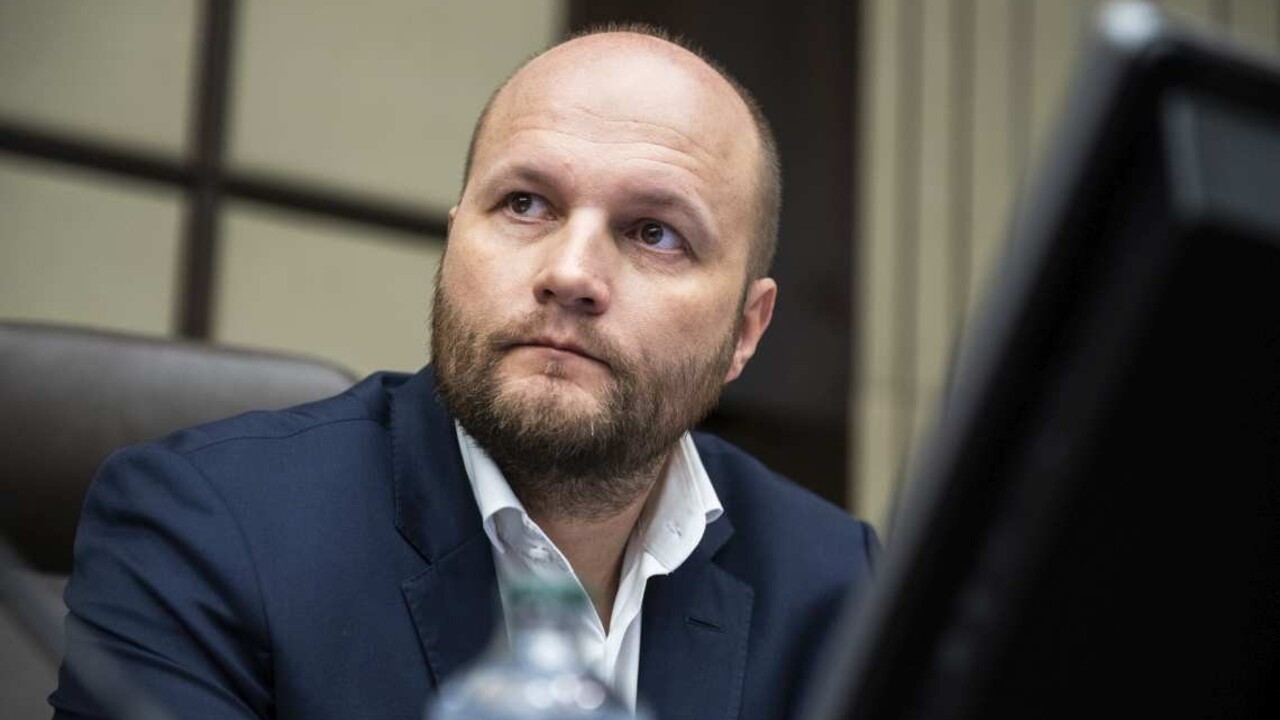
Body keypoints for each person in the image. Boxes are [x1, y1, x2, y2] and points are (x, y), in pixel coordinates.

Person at [51, 24, 879, 720]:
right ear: (454, 243)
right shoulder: (206, 528)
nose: (570, 273)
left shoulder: (841, 588)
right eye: (525, 204)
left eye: (655, 233)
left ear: (745, 330)